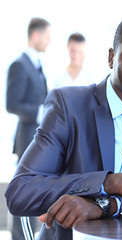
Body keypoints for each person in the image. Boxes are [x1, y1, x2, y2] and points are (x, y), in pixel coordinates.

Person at [5, 11, 122, 240]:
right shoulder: (68, 105)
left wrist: (106, 205)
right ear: (112, 58)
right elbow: (21, 192)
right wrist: (112, 182)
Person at [6, 17, 51, 240]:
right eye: (47, 37)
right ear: (36, 35)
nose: (48, 42)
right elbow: (11, 104)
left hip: (38, 138)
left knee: (33, 189)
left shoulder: (37, 64)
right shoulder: (19, 64)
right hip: (26, 138)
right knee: (23, 190)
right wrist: (40, 112)